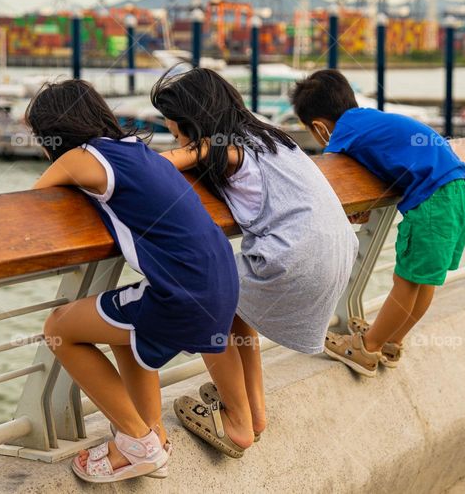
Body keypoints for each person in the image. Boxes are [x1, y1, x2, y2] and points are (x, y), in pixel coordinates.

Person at [26, 79, 239, 482]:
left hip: (184, 293)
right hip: (221, 285)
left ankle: (138, 443)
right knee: (126, 334)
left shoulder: (78, 159)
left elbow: (29, 208)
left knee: (58, 328)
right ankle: (152, 433)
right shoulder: (139, 153)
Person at [151, 67, 357, 456]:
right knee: (235, 310)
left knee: (203, 304)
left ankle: (239, 425)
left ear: (198, 125)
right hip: (337, 252)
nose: (177, 142)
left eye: (179, 133)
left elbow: (160, 167)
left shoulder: (226, 148)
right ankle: (253, 411)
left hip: (297, 256)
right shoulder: (270, 138)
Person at [291, 69, 465, 377]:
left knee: (405, 281)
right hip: (458, 187)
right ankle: (391, 341)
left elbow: (329, 181)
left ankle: (367, 348)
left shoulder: (343, 134)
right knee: (423, 280)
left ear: (320, 127)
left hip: (433, 198)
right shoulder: (368, 119)